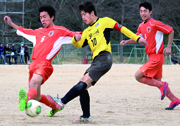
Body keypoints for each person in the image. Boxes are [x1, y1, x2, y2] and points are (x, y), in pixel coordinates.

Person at [46, 1, 147, 123]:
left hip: (104, 57)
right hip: (96, 61)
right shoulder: (87, 31)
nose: (83, 17)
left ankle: (61, 102)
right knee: (82, 86)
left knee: (83, 82)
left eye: (85, 14)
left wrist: (137, 38)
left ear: (92, 13)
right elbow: (79, 44)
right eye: (82, 15)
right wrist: (74, 39)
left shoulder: (105, 21)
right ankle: (86, 116)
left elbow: (122, 28)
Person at [4, 5, 80, 114]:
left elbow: (76, 35)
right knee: (36, 95)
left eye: (45, 16)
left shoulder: (60, 30)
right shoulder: (38, 32)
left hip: (44, 64)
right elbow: (23, 30)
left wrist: (77, 36)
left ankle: (25, 99)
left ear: (52, 17)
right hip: (33, 64)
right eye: (41, 17)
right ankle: (57, 106)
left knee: (34, 83)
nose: (42, 20)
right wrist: (11, 23)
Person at [120, 2, 180, 110]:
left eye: (145, 11)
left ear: (150, 12)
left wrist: (169, 47)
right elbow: (137, 38)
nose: (143, 13)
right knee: (158, 81)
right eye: (141, 11)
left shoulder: (155, 23)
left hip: (157, 57)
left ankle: (163, 86)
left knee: (138, 76)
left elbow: (171, 30)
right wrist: (127, 41)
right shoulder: (141, 25)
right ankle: (174, 100)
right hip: (151, 57)